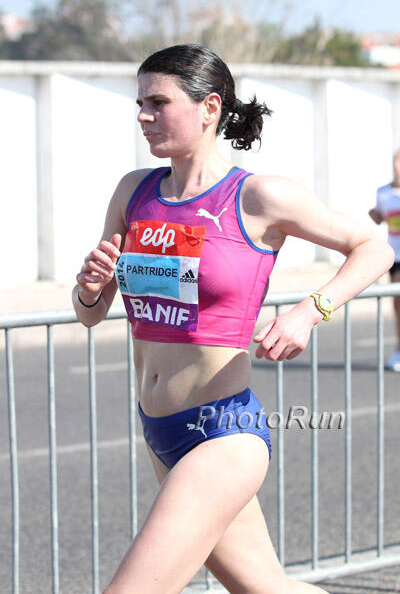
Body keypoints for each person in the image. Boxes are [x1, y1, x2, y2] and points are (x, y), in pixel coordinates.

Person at [72, 44, 394, 594]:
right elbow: (90, 314)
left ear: (209, 108)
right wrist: (90, 286)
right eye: (140, 103)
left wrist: (309, 311)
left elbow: (374, 247)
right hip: (160, 428)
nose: (143, 116)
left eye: (158, 102)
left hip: (222, 434)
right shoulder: (133, 191)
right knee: (267, 589)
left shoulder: (258, 196)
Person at [369, 148, 400, 371]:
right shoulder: (383, 193)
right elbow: (380, 216)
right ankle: (399, 350)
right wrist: (375, 215)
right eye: (396, 160)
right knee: (398, 306)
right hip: (395, 256)